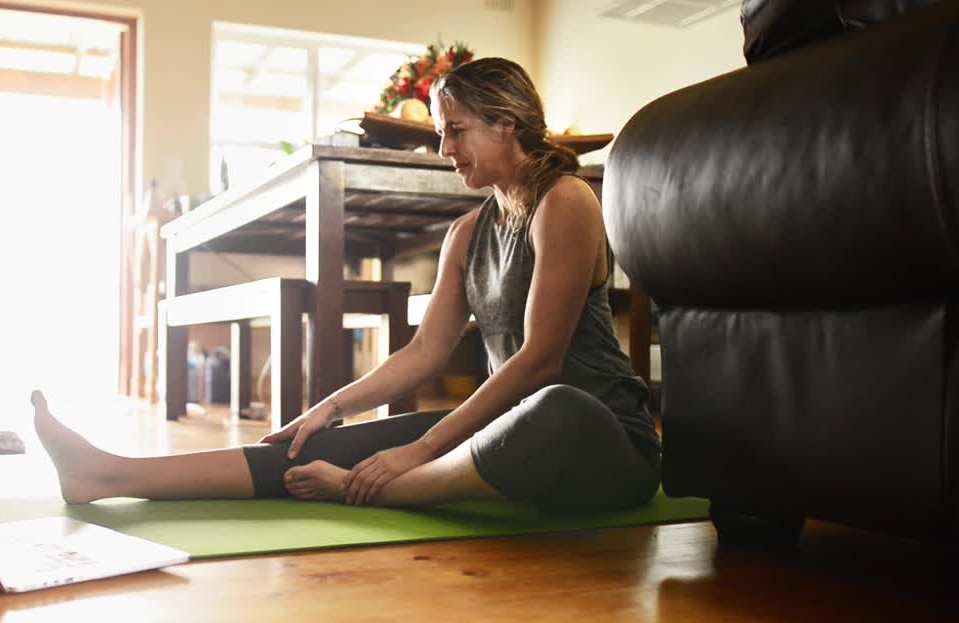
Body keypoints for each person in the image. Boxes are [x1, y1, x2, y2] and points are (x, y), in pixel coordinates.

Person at [32, 57, 660, 511]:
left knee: (552, 409)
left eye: (456, 130)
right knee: (320, 447)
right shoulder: (467, 233)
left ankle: (388, 492)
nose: (444, 147)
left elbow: (539, 360)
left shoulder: (568, 201)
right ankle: (107, 475)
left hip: (602, 440)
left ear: (507, 124)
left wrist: (420, 449)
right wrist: (329, 408)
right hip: (507, 425)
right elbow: (424, 353)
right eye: (442, 131)